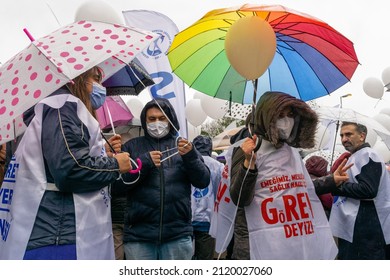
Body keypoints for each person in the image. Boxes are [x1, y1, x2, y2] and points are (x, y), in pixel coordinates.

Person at [0, 66, 131, 260]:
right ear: (77, 78)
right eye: (95, 79)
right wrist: (115, 166)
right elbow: (70, 169)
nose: (100, 86)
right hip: (60, 235)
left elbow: (60, 160)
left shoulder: (52, 109)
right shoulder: (62, 106)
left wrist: (106, 157)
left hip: (51, 231)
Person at [229, 91, 350, 260]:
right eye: (280, 115)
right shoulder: (248, 148)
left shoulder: (291, 150)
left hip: (290, 238)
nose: (286, 121)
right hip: (257, 242)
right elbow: (239, 198)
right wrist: (248, 164)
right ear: (267, 116)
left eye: (290, 115)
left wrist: (331, 180)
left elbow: (298, 187)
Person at [115, 98, 210, 260]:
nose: (157, 123)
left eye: (162, 118)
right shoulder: (131, 147)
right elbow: (117, 186)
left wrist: (191, 158)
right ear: (145, 122)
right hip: (139, 237)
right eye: (151, 119)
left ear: (170, 119)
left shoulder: (183, 146)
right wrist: (143, 163)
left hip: (177, 235)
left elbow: (203, 181)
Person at [329, 121, 390, 259]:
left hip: (366, 227)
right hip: (356, 226)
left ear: (362, 136)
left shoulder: (368, 155)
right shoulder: (356, 156)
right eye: (342, 135)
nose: (344, 139)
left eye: (349, 134)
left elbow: (368, 190)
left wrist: (336, 186)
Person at [191, 135, 224, 260]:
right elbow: (220, 191)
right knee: (205, 258)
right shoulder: (218, 166)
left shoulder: (188, 161)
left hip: (187, 217)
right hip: (208, 218)